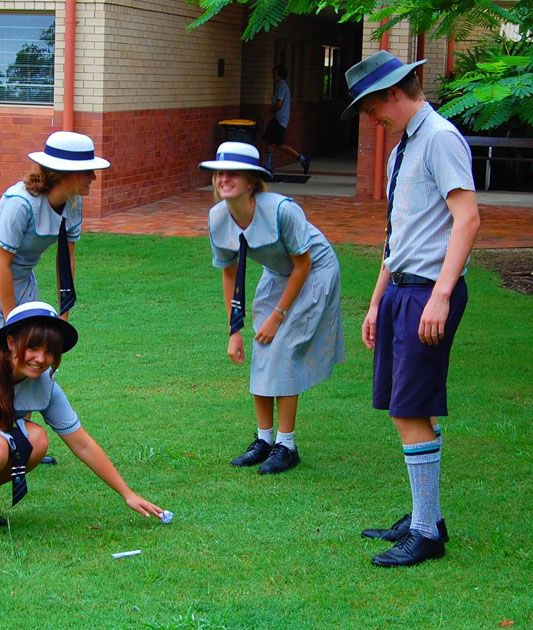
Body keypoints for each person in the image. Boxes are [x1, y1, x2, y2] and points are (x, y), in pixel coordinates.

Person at [341, 51, 480, 566]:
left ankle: (426, 533)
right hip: (403, 291)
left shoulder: (440, 138)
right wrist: (376, 301)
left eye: (372, 107)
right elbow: (396, 235)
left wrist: (441, 294)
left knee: (407, 408)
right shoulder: (402, 148)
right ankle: (428, 517)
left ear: (395, 94)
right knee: (408, 405)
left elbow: (467, 219)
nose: (371, 118)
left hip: (428, 292)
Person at [0, 301, 165, 535]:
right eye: (32, 347)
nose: (41, 359)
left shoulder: (44, 385)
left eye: (50, 351)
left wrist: (127, 494)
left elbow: (81, 442)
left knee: (36, 440)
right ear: (11, 343)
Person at [200, 141, 344, 474]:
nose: (224, 178)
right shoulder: (217, 218)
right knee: (263, 348)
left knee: (284, 349)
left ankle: (286, 445)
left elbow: (303, 265)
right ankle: (264, 440)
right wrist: (234, 330)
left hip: (315, 270)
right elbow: (229, 272)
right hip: (278, 273)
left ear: (252, 181)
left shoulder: (282, 211)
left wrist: (278, 317)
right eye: (220, 173)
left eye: (234, 173)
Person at [0, 131, 110, 353]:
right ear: (65, 174)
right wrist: (11, 324)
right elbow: (0, 262)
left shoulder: (73, 203)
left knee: (31, 352)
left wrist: (63, 319)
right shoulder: (20, 204)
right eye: (87, 171)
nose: (93, 177)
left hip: (23, 281)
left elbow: (66, 260)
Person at [263, 64, 310, 176]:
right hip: (278, 119)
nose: (272, 77)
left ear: (278, 75)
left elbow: (279, 104)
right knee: (268, 141)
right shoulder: (281, 86)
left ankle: (302, 159)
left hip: (279, 120)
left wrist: (268, 112)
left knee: (280, 144)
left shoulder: (282, 87)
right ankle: (268, 166)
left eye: (274, 74)